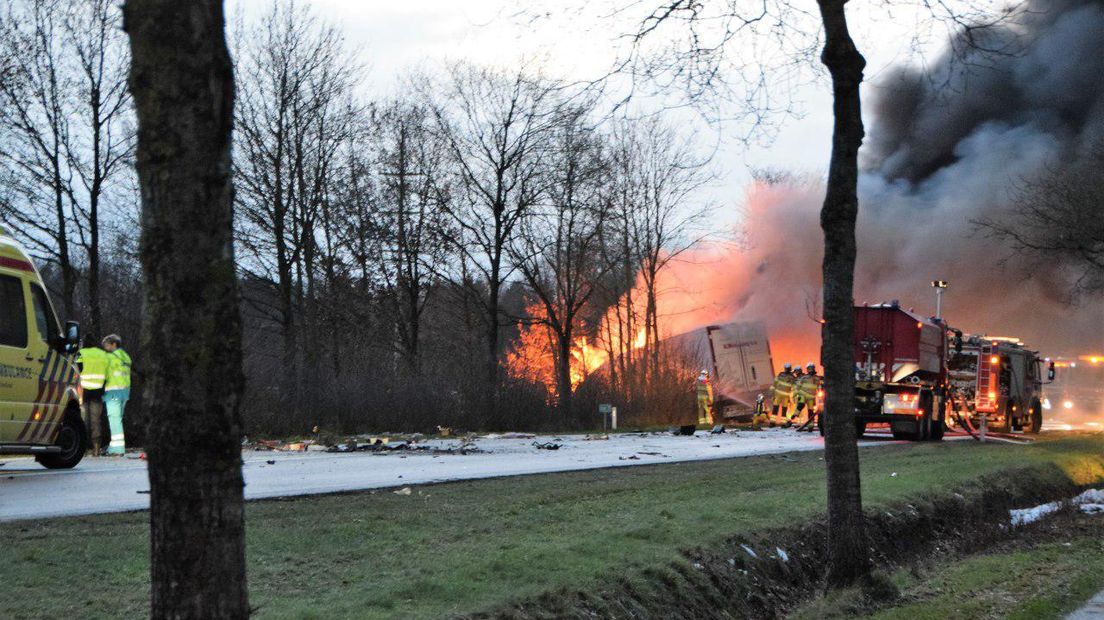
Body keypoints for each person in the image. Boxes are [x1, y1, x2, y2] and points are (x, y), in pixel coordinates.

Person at [76, 335, 109, 455]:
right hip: (98, 391)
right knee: (96, 420)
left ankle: (82, 449)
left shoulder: (81, 353)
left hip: (83, 390)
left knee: (83, 420)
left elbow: (77, 369)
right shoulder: (102, 354)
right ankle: (96, 449)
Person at [102, 334, 132, 456]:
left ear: (114, 344)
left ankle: (117, 449)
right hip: (125, 391)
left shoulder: (110, 357)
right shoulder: (126, 357)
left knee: (114, 419)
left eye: (107, 345)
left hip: (113, 391)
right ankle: (114, 446)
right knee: (118, 419)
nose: (105, 348)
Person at [794, 362, 821, 426]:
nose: (810, 370)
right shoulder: (804, 377)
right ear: (807, 369)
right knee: (801, 404)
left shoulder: (817, 378)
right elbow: (798, 386)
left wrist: (820, 392)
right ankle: (795, 414)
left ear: (814, 368)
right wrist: (796, 394)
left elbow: (819, 386)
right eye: (809, 368)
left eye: (812, 368)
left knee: (810, 411)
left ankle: (810, 425)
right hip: (803, 395)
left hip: (811, 397)